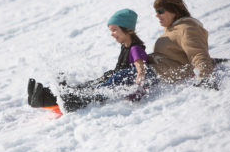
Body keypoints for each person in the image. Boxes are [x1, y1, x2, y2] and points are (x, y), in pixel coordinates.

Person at [27, 9, 158, 112]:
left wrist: (138, 84)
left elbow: (140, 67)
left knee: (93, 92)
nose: (112, 33)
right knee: (89, 85)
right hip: (114, 79)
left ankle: (53, 100)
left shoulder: (135, 48)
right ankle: (44, 94)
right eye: (111, 30)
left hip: (118, 84)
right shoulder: (126, 46)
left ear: (127, 29)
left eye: (115, 30)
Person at [147, 0, 225, 89]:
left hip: (162, 74)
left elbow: (198, 53)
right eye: (156, 11)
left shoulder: (187, 29)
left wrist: (205, 76)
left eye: (161, 11)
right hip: (155, 70)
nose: (157, 15)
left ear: (174, 11)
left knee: (121, 77)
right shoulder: (172, 29)